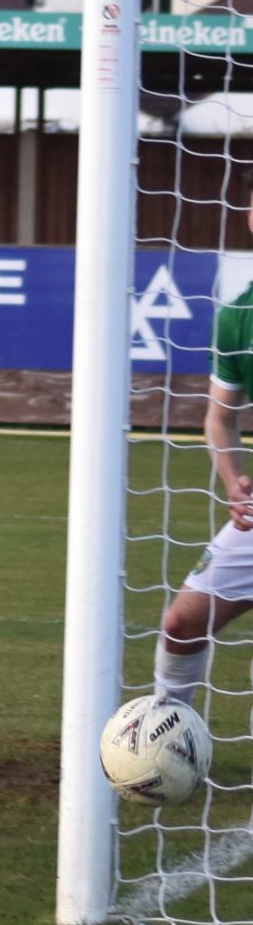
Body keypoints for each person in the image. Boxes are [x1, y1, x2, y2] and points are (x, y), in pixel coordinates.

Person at [156, 255, 253, 703]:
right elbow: (220, 418)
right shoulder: (238, 315)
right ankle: (166, 730)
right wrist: (234, 482)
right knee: (182, 623)